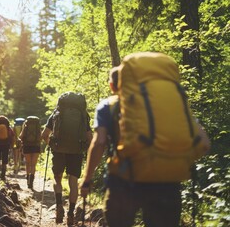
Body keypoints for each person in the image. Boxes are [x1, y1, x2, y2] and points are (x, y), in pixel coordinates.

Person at [79, 54, 211, 226]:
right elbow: (205, 144)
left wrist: (87, 180)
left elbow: (99, 143)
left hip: (124, 182)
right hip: (167, 183)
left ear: (113, 86)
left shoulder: (108, 106)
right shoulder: (172, 105)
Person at [41, 92, 93, 225]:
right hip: (76, 151)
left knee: (57, 178)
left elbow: (44, 134)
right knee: (73, 182)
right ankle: (71, 213)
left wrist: (52, 145)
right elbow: (90, 137)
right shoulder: (83, 115)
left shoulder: (56, 113)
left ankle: (59, 205)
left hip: (59, 150)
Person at [19, 116, 41, 189]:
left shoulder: (25, 125)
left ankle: (28, 179)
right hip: (36, 146)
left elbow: (21, 136)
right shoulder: (37, 126)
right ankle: (31, 181)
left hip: (27, 146)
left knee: (28, 163)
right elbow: (40, 137)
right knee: (33, 164)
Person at [0, 115, 15, 180]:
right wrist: (12, 145)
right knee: (5, 159)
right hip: (6, 145)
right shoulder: (8, 128)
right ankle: (3, 174)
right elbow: (12, 136)